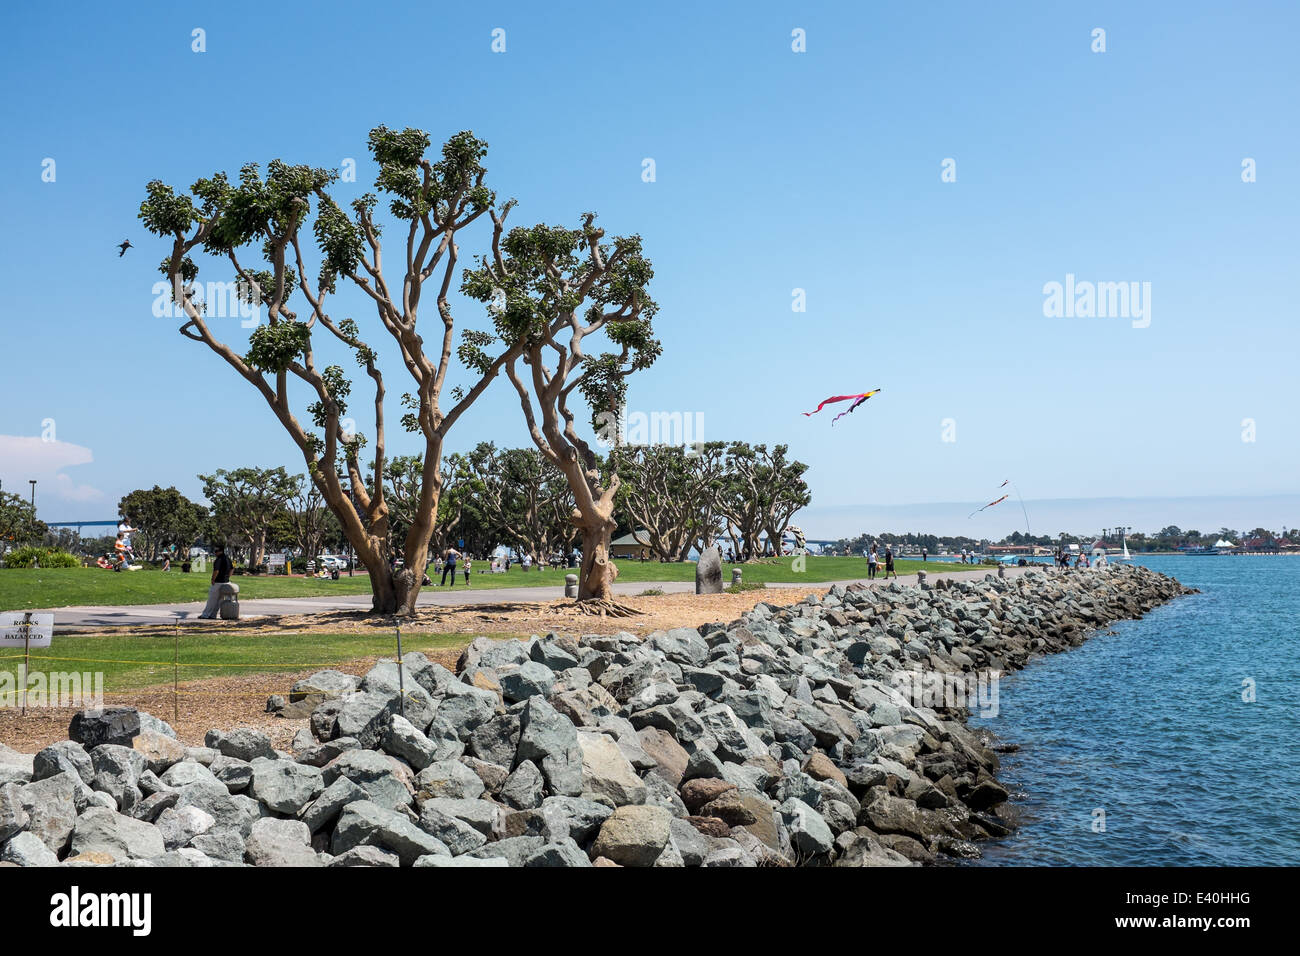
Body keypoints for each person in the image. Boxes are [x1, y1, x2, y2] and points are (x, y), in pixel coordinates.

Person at [197, 544, 232, 619]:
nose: (215, 553)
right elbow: (232, 569)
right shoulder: (227, 559)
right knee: (219, 601)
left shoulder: (218, 560)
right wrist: (228, 576)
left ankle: (205, 614)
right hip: (226, 582)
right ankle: (213, 615)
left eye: (216, 551)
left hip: (218, 582)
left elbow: (216, 571)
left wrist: (213, 579)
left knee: (211, 600)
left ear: (221, 551)